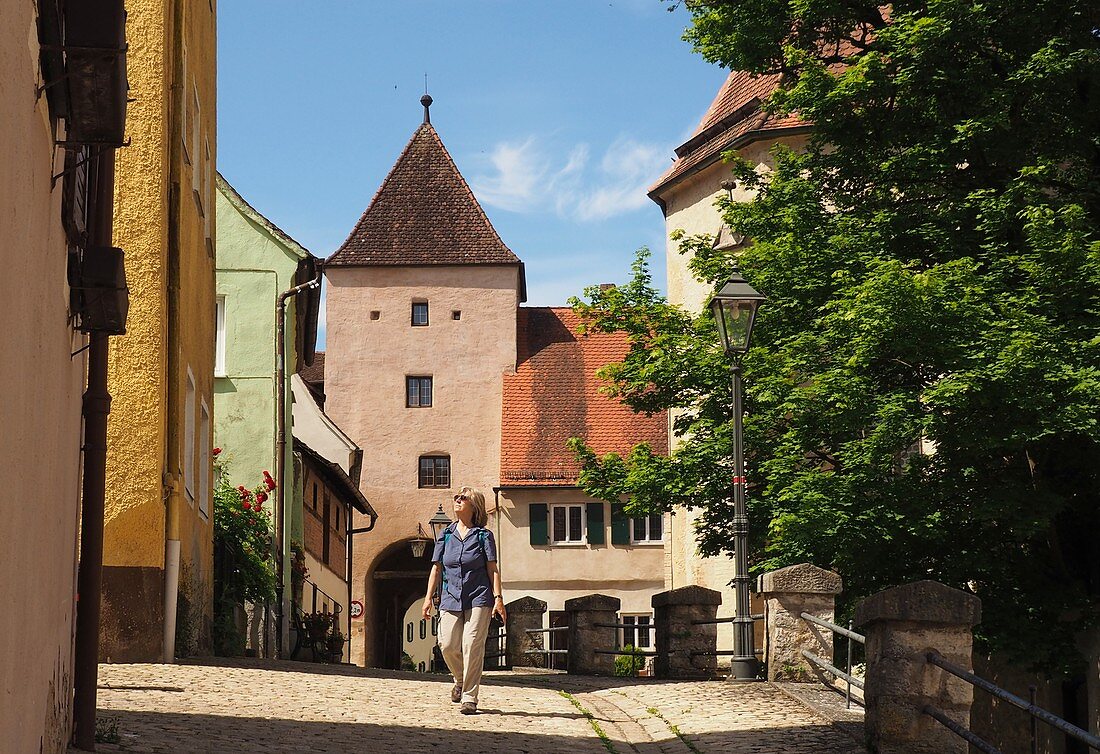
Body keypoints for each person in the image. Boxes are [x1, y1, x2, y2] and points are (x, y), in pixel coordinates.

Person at [421, 486, 506, 715]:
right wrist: (428, 598)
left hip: (479, 596)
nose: (457, 500)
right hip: (450, 596)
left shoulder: (483, 536)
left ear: (474, 505)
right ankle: (460, 679)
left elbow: (492, 569)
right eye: (456, 497)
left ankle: (469, 697)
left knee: (471, 645)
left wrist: (498, 598)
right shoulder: (446, 535)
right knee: (447, 644)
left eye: (463, 497)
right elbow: (436, 569)